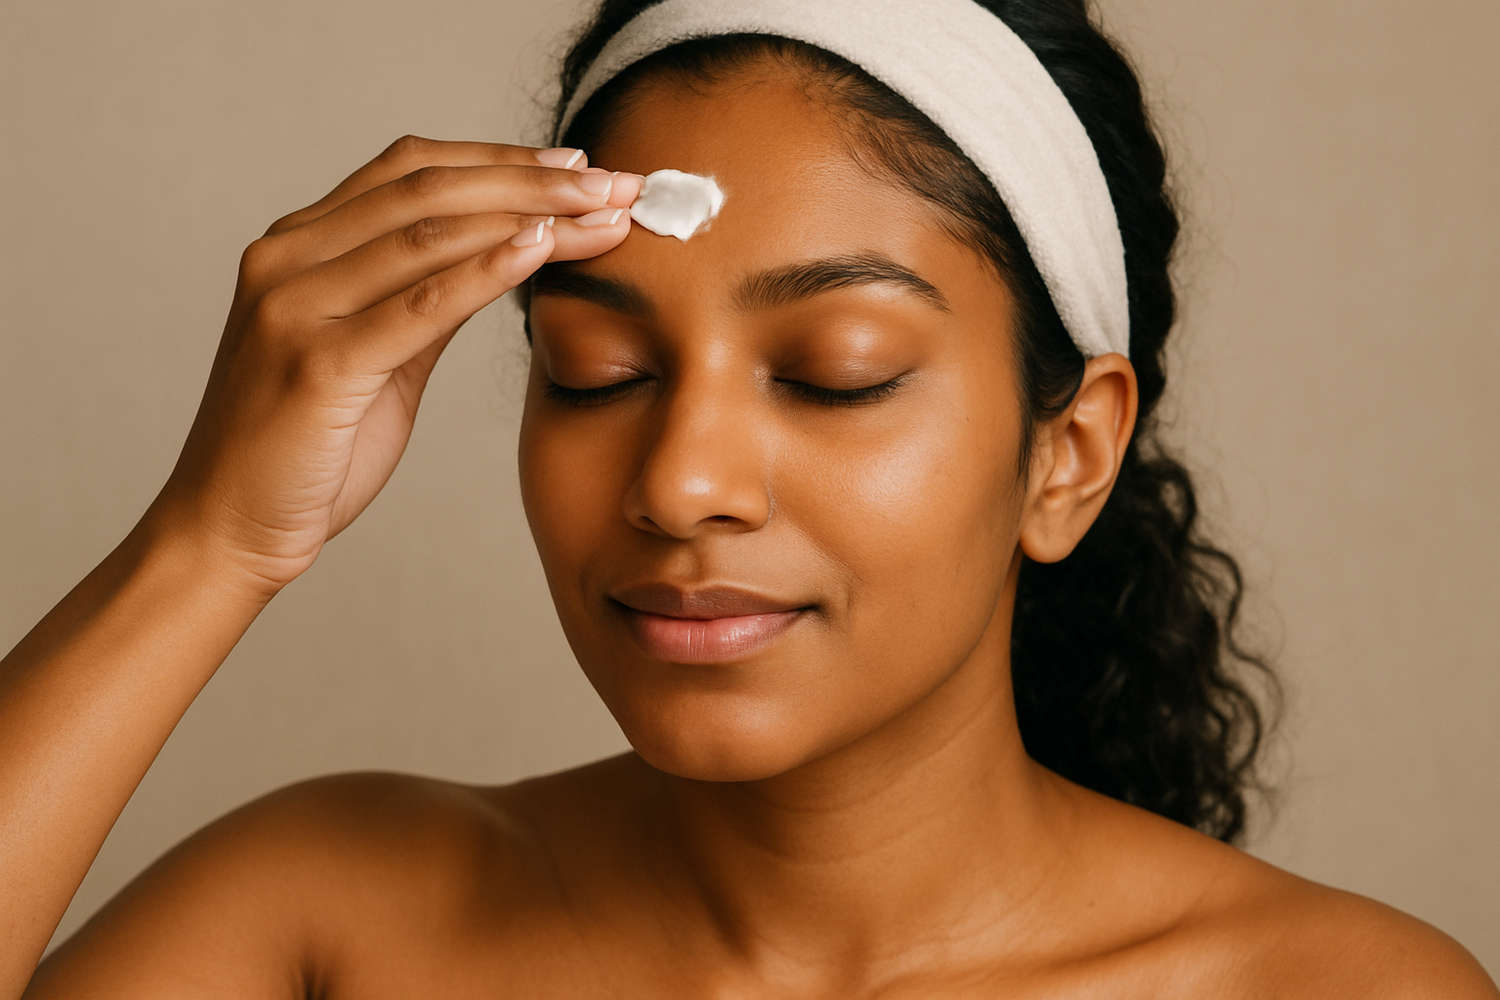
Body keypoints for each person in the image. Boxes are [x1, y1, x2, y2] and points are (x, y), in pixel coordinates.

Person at [3, 0, 1495, 996]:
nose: (679, 483)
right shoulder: (329, 921)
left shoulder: (1338, 991)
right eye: (595, 372)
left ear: (1069, 454)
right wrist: (212, 543)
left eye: (837, 375)